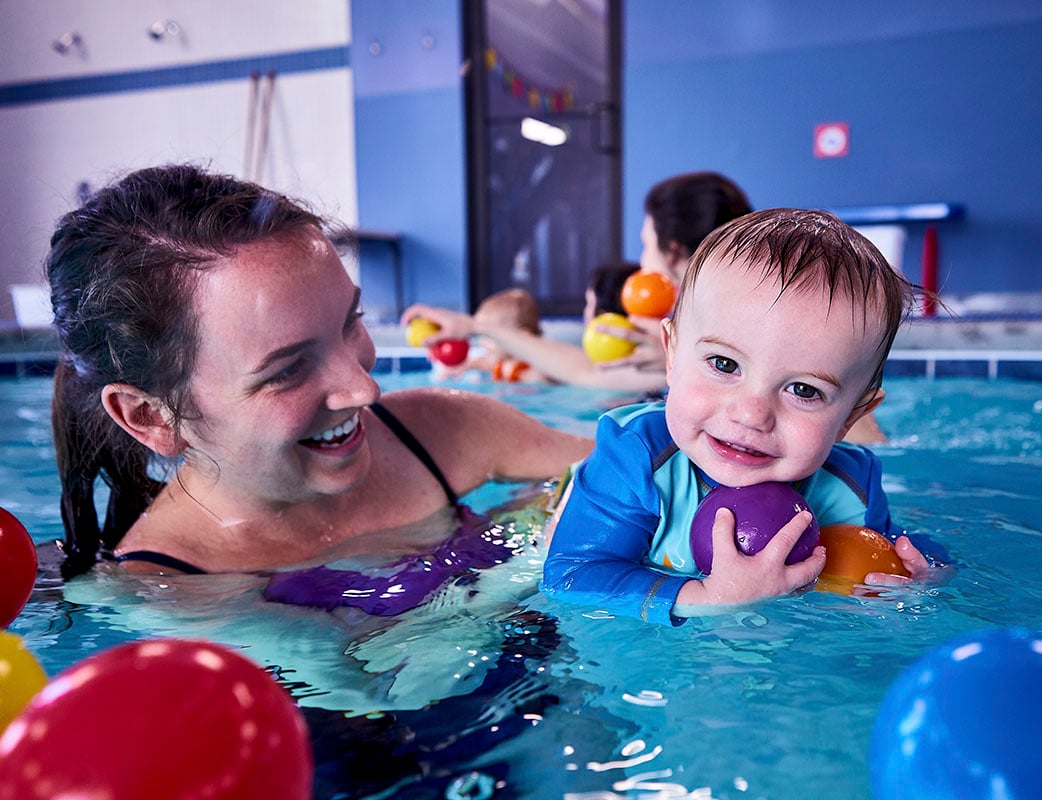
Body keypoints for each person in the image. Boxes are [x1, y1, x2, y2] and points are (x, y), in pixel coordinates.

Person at [48, 164, 593, 579]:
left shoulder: (447, 431)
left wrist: (538, 512)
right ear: (149, 416)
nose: (364, 387)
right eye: (286, 371)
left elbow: (645, 471)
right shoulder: (172, 590)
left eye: (350, 321)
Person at [540, 208, 933, 624]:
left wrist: (920, 576)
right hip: (588, 500)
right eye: (724, 365)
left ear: (853, 415)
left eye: (803, 390)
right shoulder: (634, 457)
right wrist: (708, 598)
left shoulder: (851, 489)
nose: (751, 414)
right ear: (671, 354)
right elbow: (570, 577)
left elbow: (908, 547)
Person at [400, 172, 752, 393]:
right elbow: (587, 370)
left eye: (646, 245)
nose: (642, 260)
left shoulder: (674, 341)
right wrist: (477, 327)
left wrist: (687, 363)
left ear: (673, 253)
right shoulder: (696, 326)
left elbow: (589, 374)